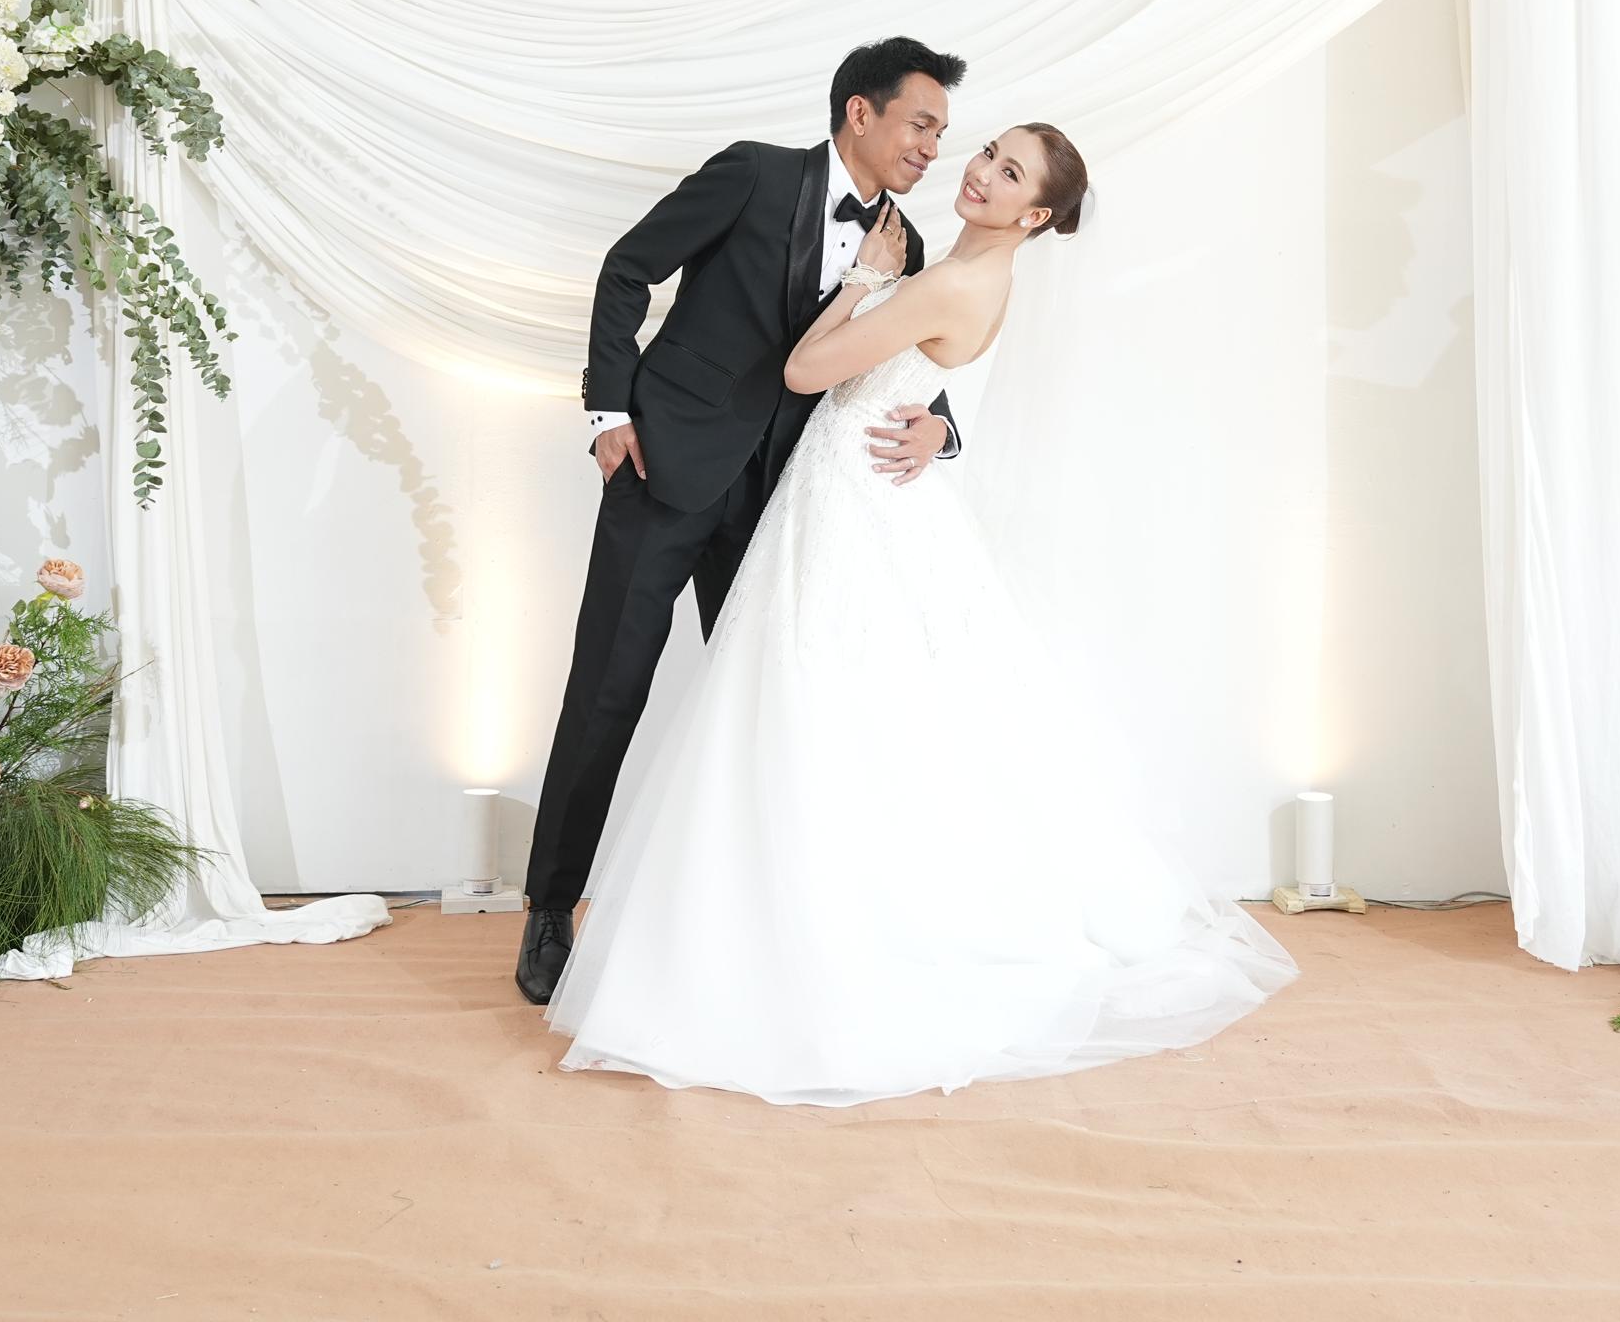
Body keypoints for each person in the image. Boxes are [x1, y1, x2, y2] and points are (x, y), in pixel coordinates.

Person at [541, 121, 1297, 1104]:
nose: (975, 168)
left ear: (1036, 214)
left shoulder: (937, 273)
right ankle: (590, 909)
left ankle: (804, 927)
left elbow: (814, 371)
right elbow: (911, 367)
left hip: (834, 500)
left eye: (1008, 171)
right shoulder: (921, 254)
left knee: (810, 710)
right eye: (984, 150)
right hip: (781, 484)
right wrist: (930, 415)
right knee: (795, 705)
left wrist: (865, 289)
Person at [516, 39, 970, 1005]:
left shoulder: (909, 249)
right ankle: (551, 907)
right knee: (606, 696)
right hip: (664, 472)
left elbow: (904, 365)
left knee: (770, 712)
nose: (933, 149)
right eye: (921, 125)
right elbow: (627, 268)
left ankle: (752, 926)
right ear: (860, 112)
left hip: (786, 508)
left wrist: (943, 428)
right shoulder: (754, 174)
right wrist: (609, 413)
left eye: (941, 134)